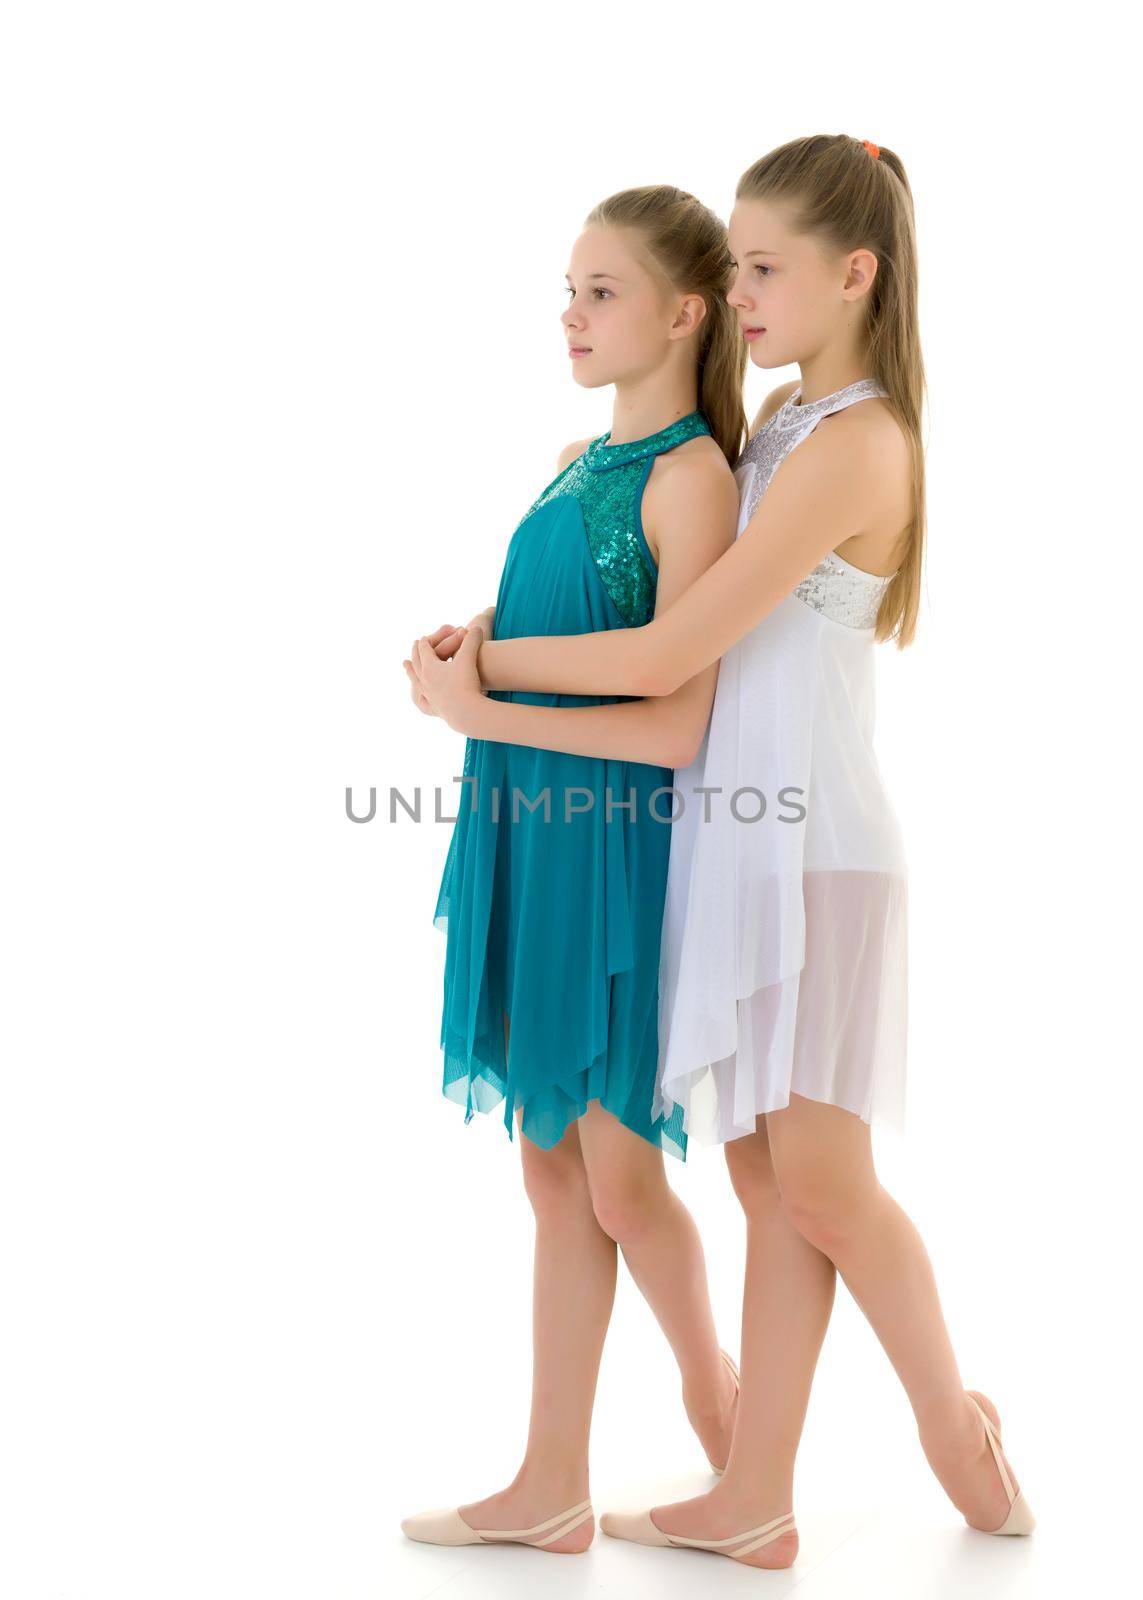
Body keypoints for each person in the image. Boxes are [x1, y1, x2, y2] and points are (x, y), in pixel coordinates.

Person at [410, 134, 1034, 1567]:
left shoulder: (860, 439)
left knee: (820, 1183)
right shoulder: (784, 433)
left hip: (815, 847)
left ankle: (954, 1433)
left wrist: (485, 672)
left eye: (762, 269)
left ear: (852, 274)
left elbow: (682, 651)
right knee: (768, 1184)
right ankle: (755, 1494)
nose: (739, 292)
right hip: (752, 850)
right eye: (735, 268)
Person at [401, 185, 747, 1554]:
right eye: (569, 289)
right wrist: (466, 643)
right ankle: (552, 1480)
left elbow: (674, 719)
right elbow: (553, 622)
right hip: (526, 829)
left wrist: (483, 702)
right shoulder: (571, 454)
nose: (573, 314)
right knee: (550, 1165)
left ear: (683, 311)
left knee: (615, 1171)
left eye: (603, 292)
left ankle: (728, 1422)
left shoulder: (695, 480)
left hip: (609, 850)